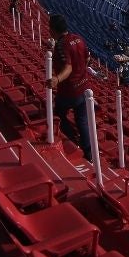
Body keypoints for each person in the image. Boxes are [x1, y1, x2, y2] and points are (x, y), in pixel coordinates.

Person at [47, 14, 93, 161]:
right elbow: (87, 58)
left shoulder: (62, 44)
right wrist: (81, 72)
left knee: (58, 113)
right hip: (84, 87)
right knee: (83, 120)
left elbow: (68, 68)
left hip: (70, 90)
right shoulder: (79, 38)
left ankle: (72, 138)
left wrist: (57, 79)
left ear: (53, 29)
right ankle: (89, 154)